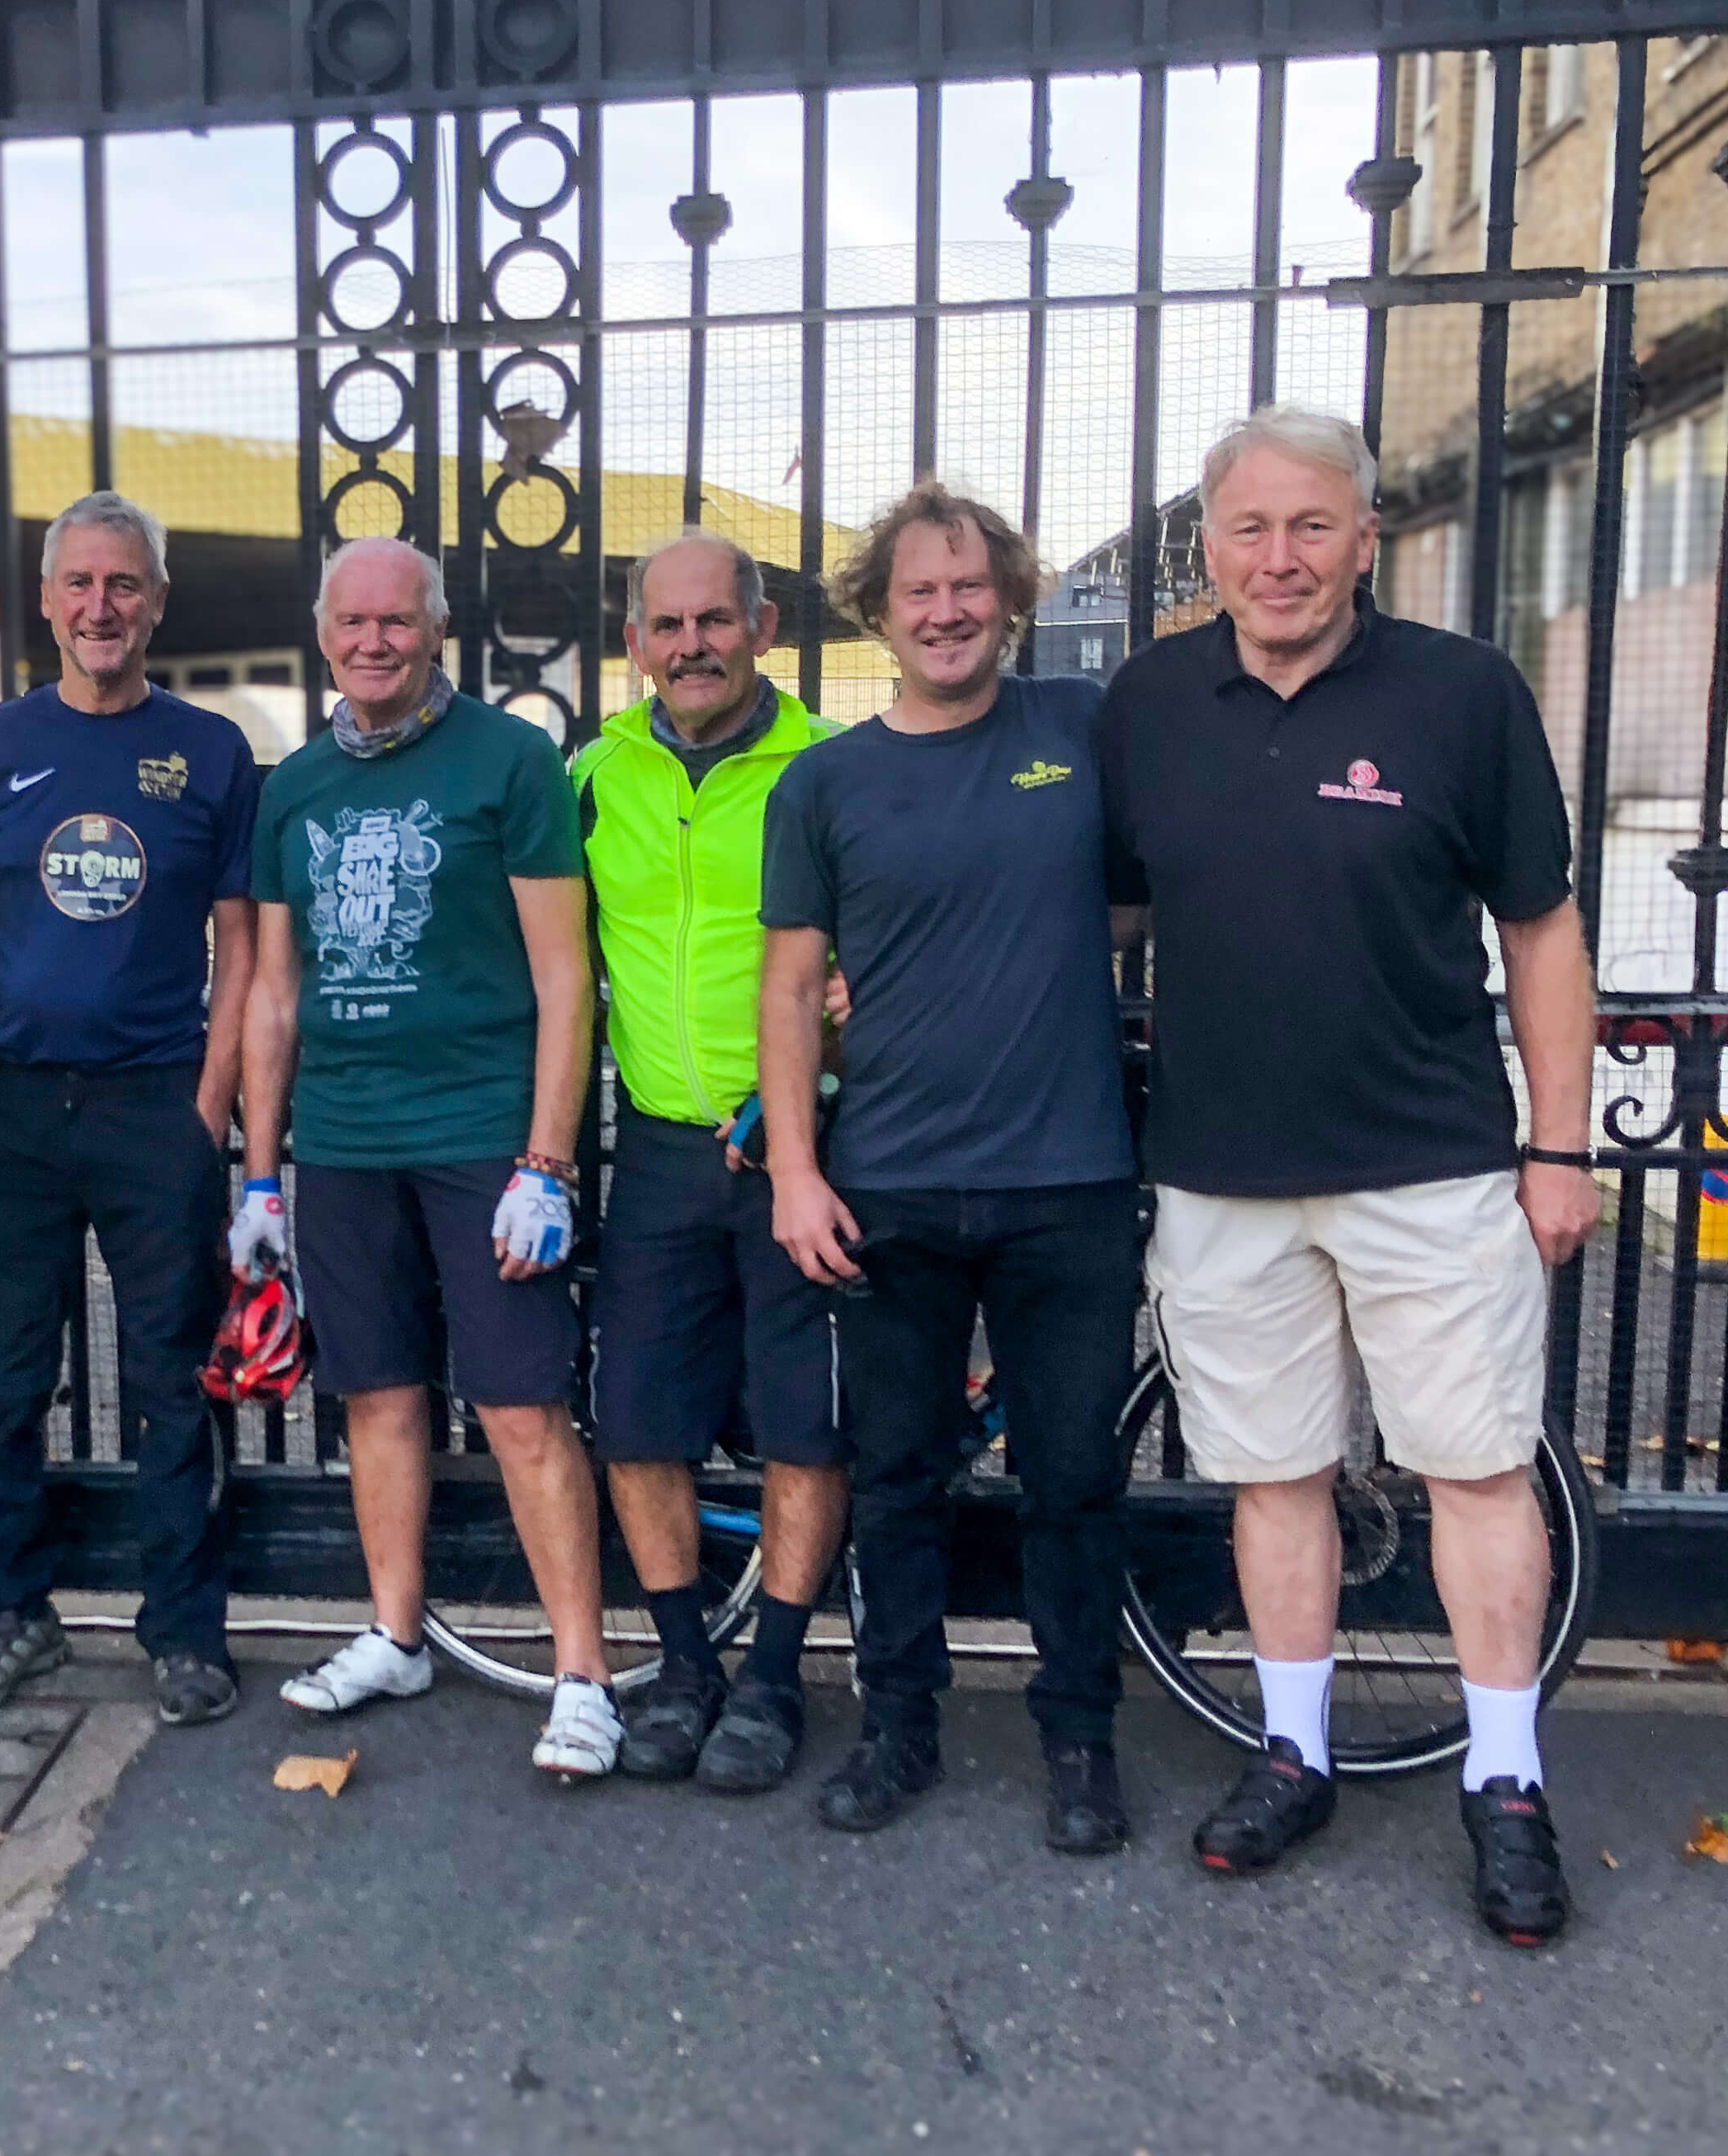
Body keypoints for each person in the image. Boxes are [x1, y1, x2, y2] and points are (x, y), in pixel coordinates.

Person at [1098, 406, 1598, 1945]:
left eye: (1311, 526)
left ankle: (1504, 1783)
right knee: (1272, 1476)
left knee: (1473, 1470)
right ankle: (1293, 1752)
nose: (1278, 558)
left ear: (1365, 536)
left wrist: (1559, 1144)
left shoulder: (1461, 694)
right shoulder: (1148, 703)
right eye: (1246, 529)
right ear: (1207, 545)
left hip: (1430, 1164)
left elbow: (1538, 933)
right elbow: (1107, 921)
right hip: (1220, 1172)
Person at [760, 484, 1141, 1851]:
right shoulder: (825, 782)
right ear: (878, 611)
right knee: (897, 1477)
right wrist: (796, 1173)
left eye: (969, 585)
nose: (945, 610)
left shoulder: (1081, 731)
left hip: (1069, 1180)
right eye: (917, 591)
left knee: (1070, 1479)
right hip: (892, 1185)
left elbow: (1144, 888)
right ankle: (899, 1729)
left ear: (1010, 595)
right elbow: (791, 985)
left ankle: (1080, 1741)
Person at [234, 536, 618, 1781]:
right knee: (379, 1399)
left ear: (435, 629)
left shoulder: (510, 761)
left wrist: (546, 1162)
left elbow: (566, 975)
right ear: (322, 629)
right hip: (344, 1146)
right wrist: (256, 1172)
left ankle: (581, 1675)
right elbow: (272, 994)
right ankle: (395, 1632)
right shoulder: (291, 785)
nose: (371, 642)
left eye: (396, 621)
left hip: (478, 1139)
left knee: (518, 1408)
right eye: (350, 621)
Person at [0, 493, 260, 1732]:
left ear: (156, 603)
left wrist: (206, 1101)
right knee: (0, 1376)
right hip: (3, 1108)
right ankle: (12, 1614)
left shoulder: (210, 751)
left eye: (126, 586)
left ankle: (182, 1630)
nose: (101, 608)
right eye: (80, 585)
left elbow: (242, 946)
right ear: (49, 602)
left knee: (174, 1374)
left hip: (149, 1104)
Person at [571, 531, 849, 1791]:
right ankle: (685, 1672)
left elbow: (881, 960)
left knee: (805, 1425)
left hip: (799, 1145)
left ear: (763, 625)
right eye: (665, 626)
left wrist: (820, 1076)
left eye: (714, 622)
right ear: (632, 642)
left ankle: (777, 1681)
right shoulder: (591, 774)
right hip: (661, 1149)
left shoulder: (833, 768)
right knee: (637, 1422)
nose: (690, 646)